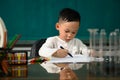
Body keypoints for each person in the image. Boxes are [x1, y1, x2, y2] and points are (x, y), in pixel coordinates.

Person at [39, 8, 91, 80]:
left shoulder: (77, 42)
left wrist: (90, 52)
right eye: (67, 31)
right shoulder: (51, 69)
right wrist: (55, 52)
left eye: (73, 32)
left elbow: (85, 51)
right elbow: (41, 51)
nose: (70, 35)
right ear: (58, 26)